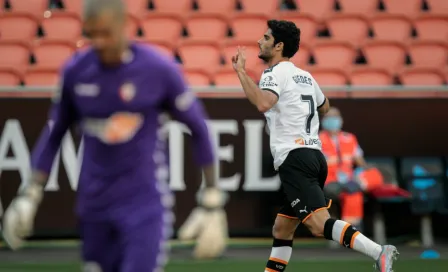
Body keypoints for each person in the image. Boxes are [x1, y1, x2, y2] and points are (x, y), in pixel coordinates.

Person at [2, 0, 226, 271]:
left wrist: (212, 199)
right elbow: (54, 134)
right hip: (93, 205)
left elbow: (199, 128)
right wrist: (30, 193)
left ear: (124, 26)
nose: (99, 41)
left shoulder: (157, 70)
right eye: (91, 34)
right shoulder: (76, 72)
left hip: (143, 204)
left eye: (105, 33)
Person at [232, 19, 399, 272]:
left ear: (278, 46)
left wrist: (242, 73)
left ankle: (378, 251)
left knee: (319, 225)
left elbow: (264, 103)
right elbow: (324, 106)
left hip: (295, 158)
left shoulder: (274, 73)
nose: (259, 41)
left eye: (265, 38)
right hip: (314, 157)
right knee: (282, 226)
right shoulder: (305, 76)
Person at [320, 107, 383, 230]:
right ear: (323, 120)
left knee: (374, 175)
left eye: (335, 116)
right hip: (330, 181)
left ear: (341, 120)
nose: (333, 119)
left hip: (350, 179)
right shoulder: (316, 139)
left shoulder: (350, 138)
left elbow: (361, 162)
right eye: (329, 117)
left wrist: (365, 171)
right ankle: (352, 229)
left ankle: (350, 227)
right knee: (353, 191)